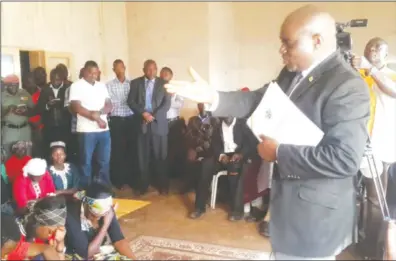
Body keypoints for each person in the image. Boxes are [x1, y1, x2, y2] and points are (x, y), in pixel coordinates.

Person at [165, 5, 370, 260]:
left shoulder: (347, 86)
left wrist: (279, 153)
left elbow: (344, 159)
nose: (281, 50)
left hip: (314, 218)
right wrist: (213, 97)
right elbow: (257, 100)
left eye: (288, 43)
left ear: (317, 41)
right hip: (288, 209)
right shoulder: (291, 73)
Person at [351, 38, 396, 258]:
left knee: (376, 201)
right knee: (358, 196)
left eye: (378, 48)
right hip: (357, 145)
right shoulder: (358, 74)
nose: (372, 50)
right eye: (369, 46)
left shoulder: (391, 74)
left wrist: (371, 71)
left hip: (382, 148)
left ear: (386, 56)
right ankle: (355, 237)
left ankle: (372, 249)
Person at [127, 60, 171, 195]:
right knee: (142, 157)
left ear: (156, 70)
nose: (151, 72)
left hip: (159, 124)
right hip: (142, 123)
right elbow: (131, 101)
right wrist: (143, 113)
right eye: (148, 69)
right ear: (143, 69)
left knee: (161, 156)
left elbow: (166, 104)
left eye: (153, 69)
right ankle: (143, 185)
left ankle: (162, 185)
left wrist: (153, 115)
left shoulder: (164, 84)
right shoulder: (135, 83)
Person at [65, 181, 136, 260]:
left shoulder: (107, 210)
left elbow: (119, 240)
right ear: (86, 205)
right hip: (78, 255)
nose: (98, 218)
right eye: (93, 215)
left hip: (97, 250)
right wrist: (105, 225)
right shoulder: (71, 216)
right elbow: (86, 254)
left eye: (102, 215)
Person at [69, 61, 113, 188]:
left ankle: (103, 189)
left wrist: (99, 113)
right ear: (84, 71)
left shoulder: (101, 86)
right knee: (85, 163)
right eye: (91, 72)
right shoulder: (76, 86)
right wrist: (94, 117)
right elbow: (76, 107)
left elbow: (109, 105)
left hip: (103, 130)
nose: (94, 75)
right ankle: (86, 191)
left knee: (104, 161)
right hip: (86, 131)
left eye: (96, 72)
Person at [4, 195, 67, 260]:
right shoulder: (10, 235)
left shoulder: (48, 237)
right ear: (37, 223)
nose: (55, 236)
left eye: (59, 230)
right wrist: (45, 249)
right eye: (50, 232)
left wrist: (60, 243)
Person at [106, 59, 136, 190]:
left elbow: (133, 101)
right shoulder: (108, 85)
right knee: (117, 151)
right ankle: (118, 180)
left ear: (125, 68)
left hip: (130, 119)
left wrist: (127, 101)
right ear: (113, 70)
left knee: (131, 150)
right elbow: (112, 103)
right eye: (116, 68)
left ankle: (130, 179)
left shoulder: (132, 84)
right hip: (116, 120)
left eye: (121, 67)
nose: (119, 70)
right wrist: (127, 101)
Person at [36, 68, 71, 160]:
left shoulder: (67, 88)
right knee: (49, 151)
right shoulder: (45, 89)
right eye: (53, 80)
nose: (56, 82)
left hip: (65, 126)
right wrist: (48, 105)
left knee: (65, 150)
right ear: (50, 79)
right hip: (49, 127)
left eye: (58, 80)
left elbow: (72, 107)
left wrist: (62, 104)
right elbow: (39, 108)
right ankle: (50, 171)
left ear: (62, 79)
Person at [162, 67, 186, 179]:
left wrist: (168, 99)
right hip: (161, 123)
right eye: (162, 74)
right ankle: (163, 177)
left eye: (166, 74)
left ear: (171, 76)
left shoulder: (177, 89)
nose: (163, 76)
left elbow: (180, 104)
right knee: (163, 151)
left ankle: (173, 177)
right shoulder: (158, 88)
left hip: (174, 123)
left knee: (173, 150)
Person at [1, 75, 35, 156]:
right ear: (6, 85)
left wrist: (25, 111)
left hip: (24, 130)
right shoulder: (1, 96)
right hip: (9, 131)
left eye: (16, 84)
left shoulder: (24, 93)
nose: (14, 87)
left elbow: (33, 110)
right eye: (11, 85)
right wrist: (7, 110)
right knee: (9, 157)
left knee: (27, 156)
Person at [23, 72, 44, 158]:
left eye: (30, 81)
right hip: (26, 127)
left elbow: (44, 110)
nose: (29, 84)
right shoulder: (22, 94)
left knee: (39, 152)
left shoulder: (42, 93)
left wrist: (40, 122)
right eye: (27, 82)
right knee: (27, 152)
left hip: (40, 128)